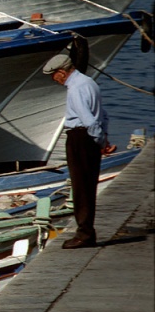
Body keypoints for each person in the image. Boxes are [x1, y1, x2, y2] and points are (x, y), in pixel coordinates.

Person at [43, 52, 116, 249]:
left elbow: (88, 120)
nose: (53, 79)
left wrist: (100, 142)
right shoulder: (89, 82)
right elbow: (103, 116)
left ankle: (84, 234)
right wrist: (104, 139)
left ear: (61, 72)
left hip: (80, 137)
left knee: (81, 186)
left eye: (53, 75)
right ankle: (87, 231)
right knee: (89, 184)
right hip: (91, 138)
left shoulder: (74, 88)